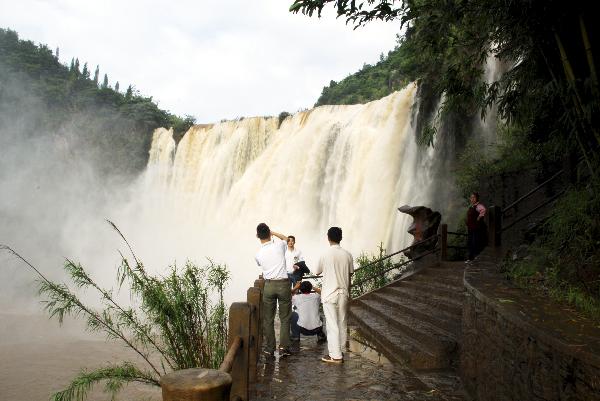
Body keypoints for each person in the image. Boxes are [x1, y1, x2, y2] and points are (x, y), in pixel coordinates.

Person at [313, 226, 354, 364]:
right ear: (341, 238)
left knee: (332, 325)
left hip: (329, 294)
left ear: (328, 238)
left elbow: (317, 271)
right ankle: (341, 349)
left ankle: (335, 356)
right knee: (342, 322)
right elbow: (350, 274)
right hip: (343, 292)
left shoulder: (325, 254)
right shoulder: (348, 255)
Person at [255, 223, 292, 357]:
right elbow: (287, 239)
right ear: (269, 233)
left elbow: (260, 264)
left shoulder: (258, 254)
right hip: (283, 284)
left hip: (269, 286)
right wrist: (274, 233)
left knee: (268, 319)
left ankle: (270, 348)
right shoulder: (279, 245)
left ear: (257, 236)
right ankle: (283, 347)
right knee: (285, 318)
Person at [466, 192, 487, 262]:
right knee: (470, 242)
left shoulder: (478, 206)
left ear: (477, 198)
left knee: (475, 242)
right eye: (471, 198)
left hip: (476, 228)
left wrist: (479, 217)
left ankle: (476, 257)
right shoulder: (471, 207)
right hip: (470, 228)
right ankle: (470, 258)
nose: (472, 199)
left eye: (474, 197)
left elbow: (483, 210)